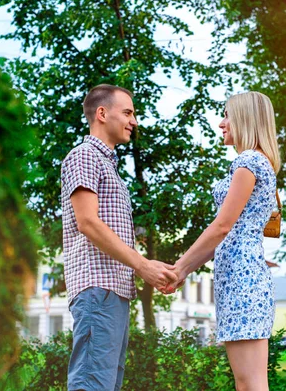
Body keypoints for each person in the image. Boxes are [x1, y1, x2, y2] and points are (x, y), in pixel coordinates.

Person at [61, 84, 177, 390]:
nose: (134, 121)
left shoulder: (108, 167)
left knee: (106, 384)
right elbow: (88, 222)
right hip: (97, 288)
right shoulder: (84, 156)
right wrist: (142, 266)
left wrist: (143, 267)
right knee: (92, 384)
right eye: (127, 112)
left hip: (113, 291)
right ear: (102, 113)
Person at [166, 91, 280, 391]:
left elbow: (221, 227)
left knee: (250, 383)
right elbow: (223, 233)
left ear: (245, 119)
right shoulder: (257, 161)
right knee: (247, 383)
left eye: (227, 115)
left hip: (243, 279)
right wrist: (183, 269)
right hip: (241, 277)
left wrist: (180, 269)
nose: (221, 123)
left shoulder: (249, 161)